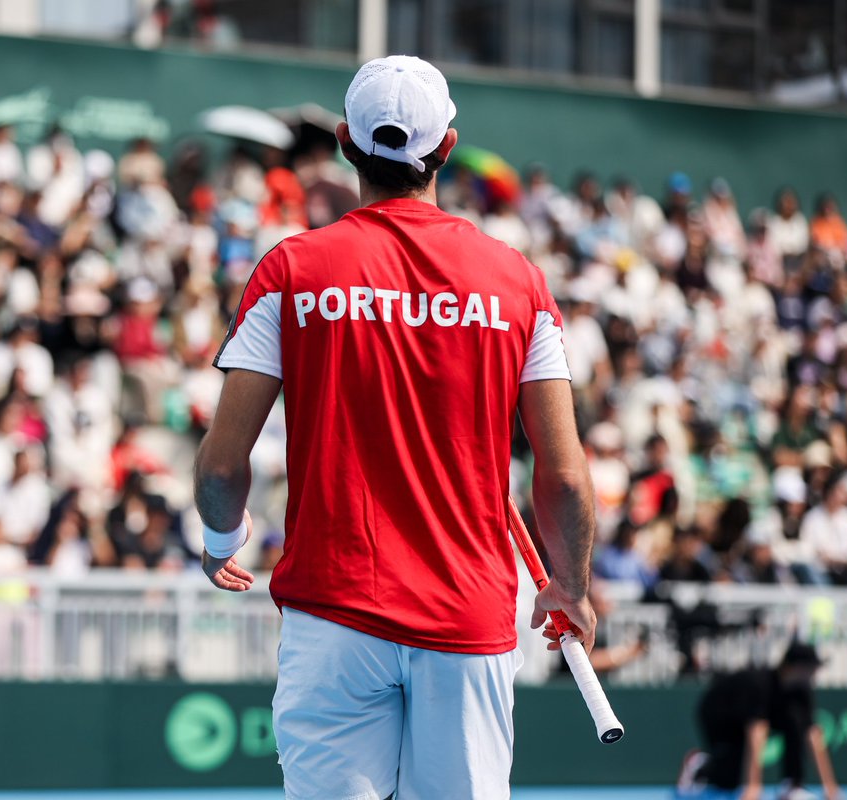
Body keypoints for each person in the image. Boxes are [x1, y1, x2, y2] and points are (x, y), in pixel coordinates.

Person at [192, 55, 596, 800]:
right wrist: (568, 585)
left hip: (332, 616)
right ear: (446, 149)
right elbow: (563, 473)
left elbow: (220, 468)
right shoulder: (516, 278)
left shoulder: (291, 268)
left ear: (347, 141)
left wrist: (221, 539)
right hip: (466, 615)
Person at [678, 641, 841, 800]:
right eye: (808, 668)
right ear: (791, 666)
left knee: (796, 723)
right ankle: (700, 765)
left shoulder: (802, 691)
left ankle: (792, 785)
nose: (813, 673)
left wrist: (830, 788)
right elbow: (756, 733)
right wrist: (753, 786)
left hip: (751, 716)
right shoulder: (760, 684)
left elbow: (813, 734)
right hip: (720, 713)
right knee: (727, 781)